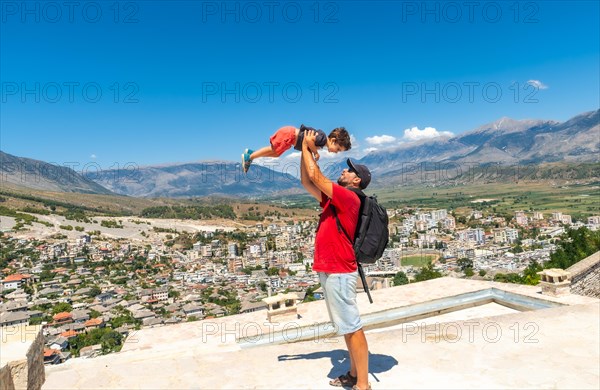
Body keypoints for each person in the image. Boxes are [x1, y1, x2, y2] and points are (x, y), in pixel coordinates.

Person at [300, 129, 372, 390]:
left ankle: (363, 385)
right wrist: (303, 148)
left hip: (339, 271)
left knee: (352, 327)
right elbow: (307, 182)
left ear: (356, 181)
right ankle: (354, 374)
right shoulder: (335, 199)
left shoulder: (348, 197)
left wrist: (308, 146)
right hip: (330, 269)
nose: (344, 170)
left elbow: (317, 178)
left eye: (349, 170)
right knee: (345, 326)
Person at [241, 124, 351, 173]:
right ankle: (249, 157)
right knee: (274, 150)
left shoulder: (321, 140)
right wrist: (315, 153)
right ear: (333, 140)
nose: (335, 152)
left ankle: (252, 154)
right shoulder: (322, 139)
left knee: (276, 153)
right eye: (337, 149)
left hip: (290, 138)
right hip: (290, 135)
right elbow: (308, 140)